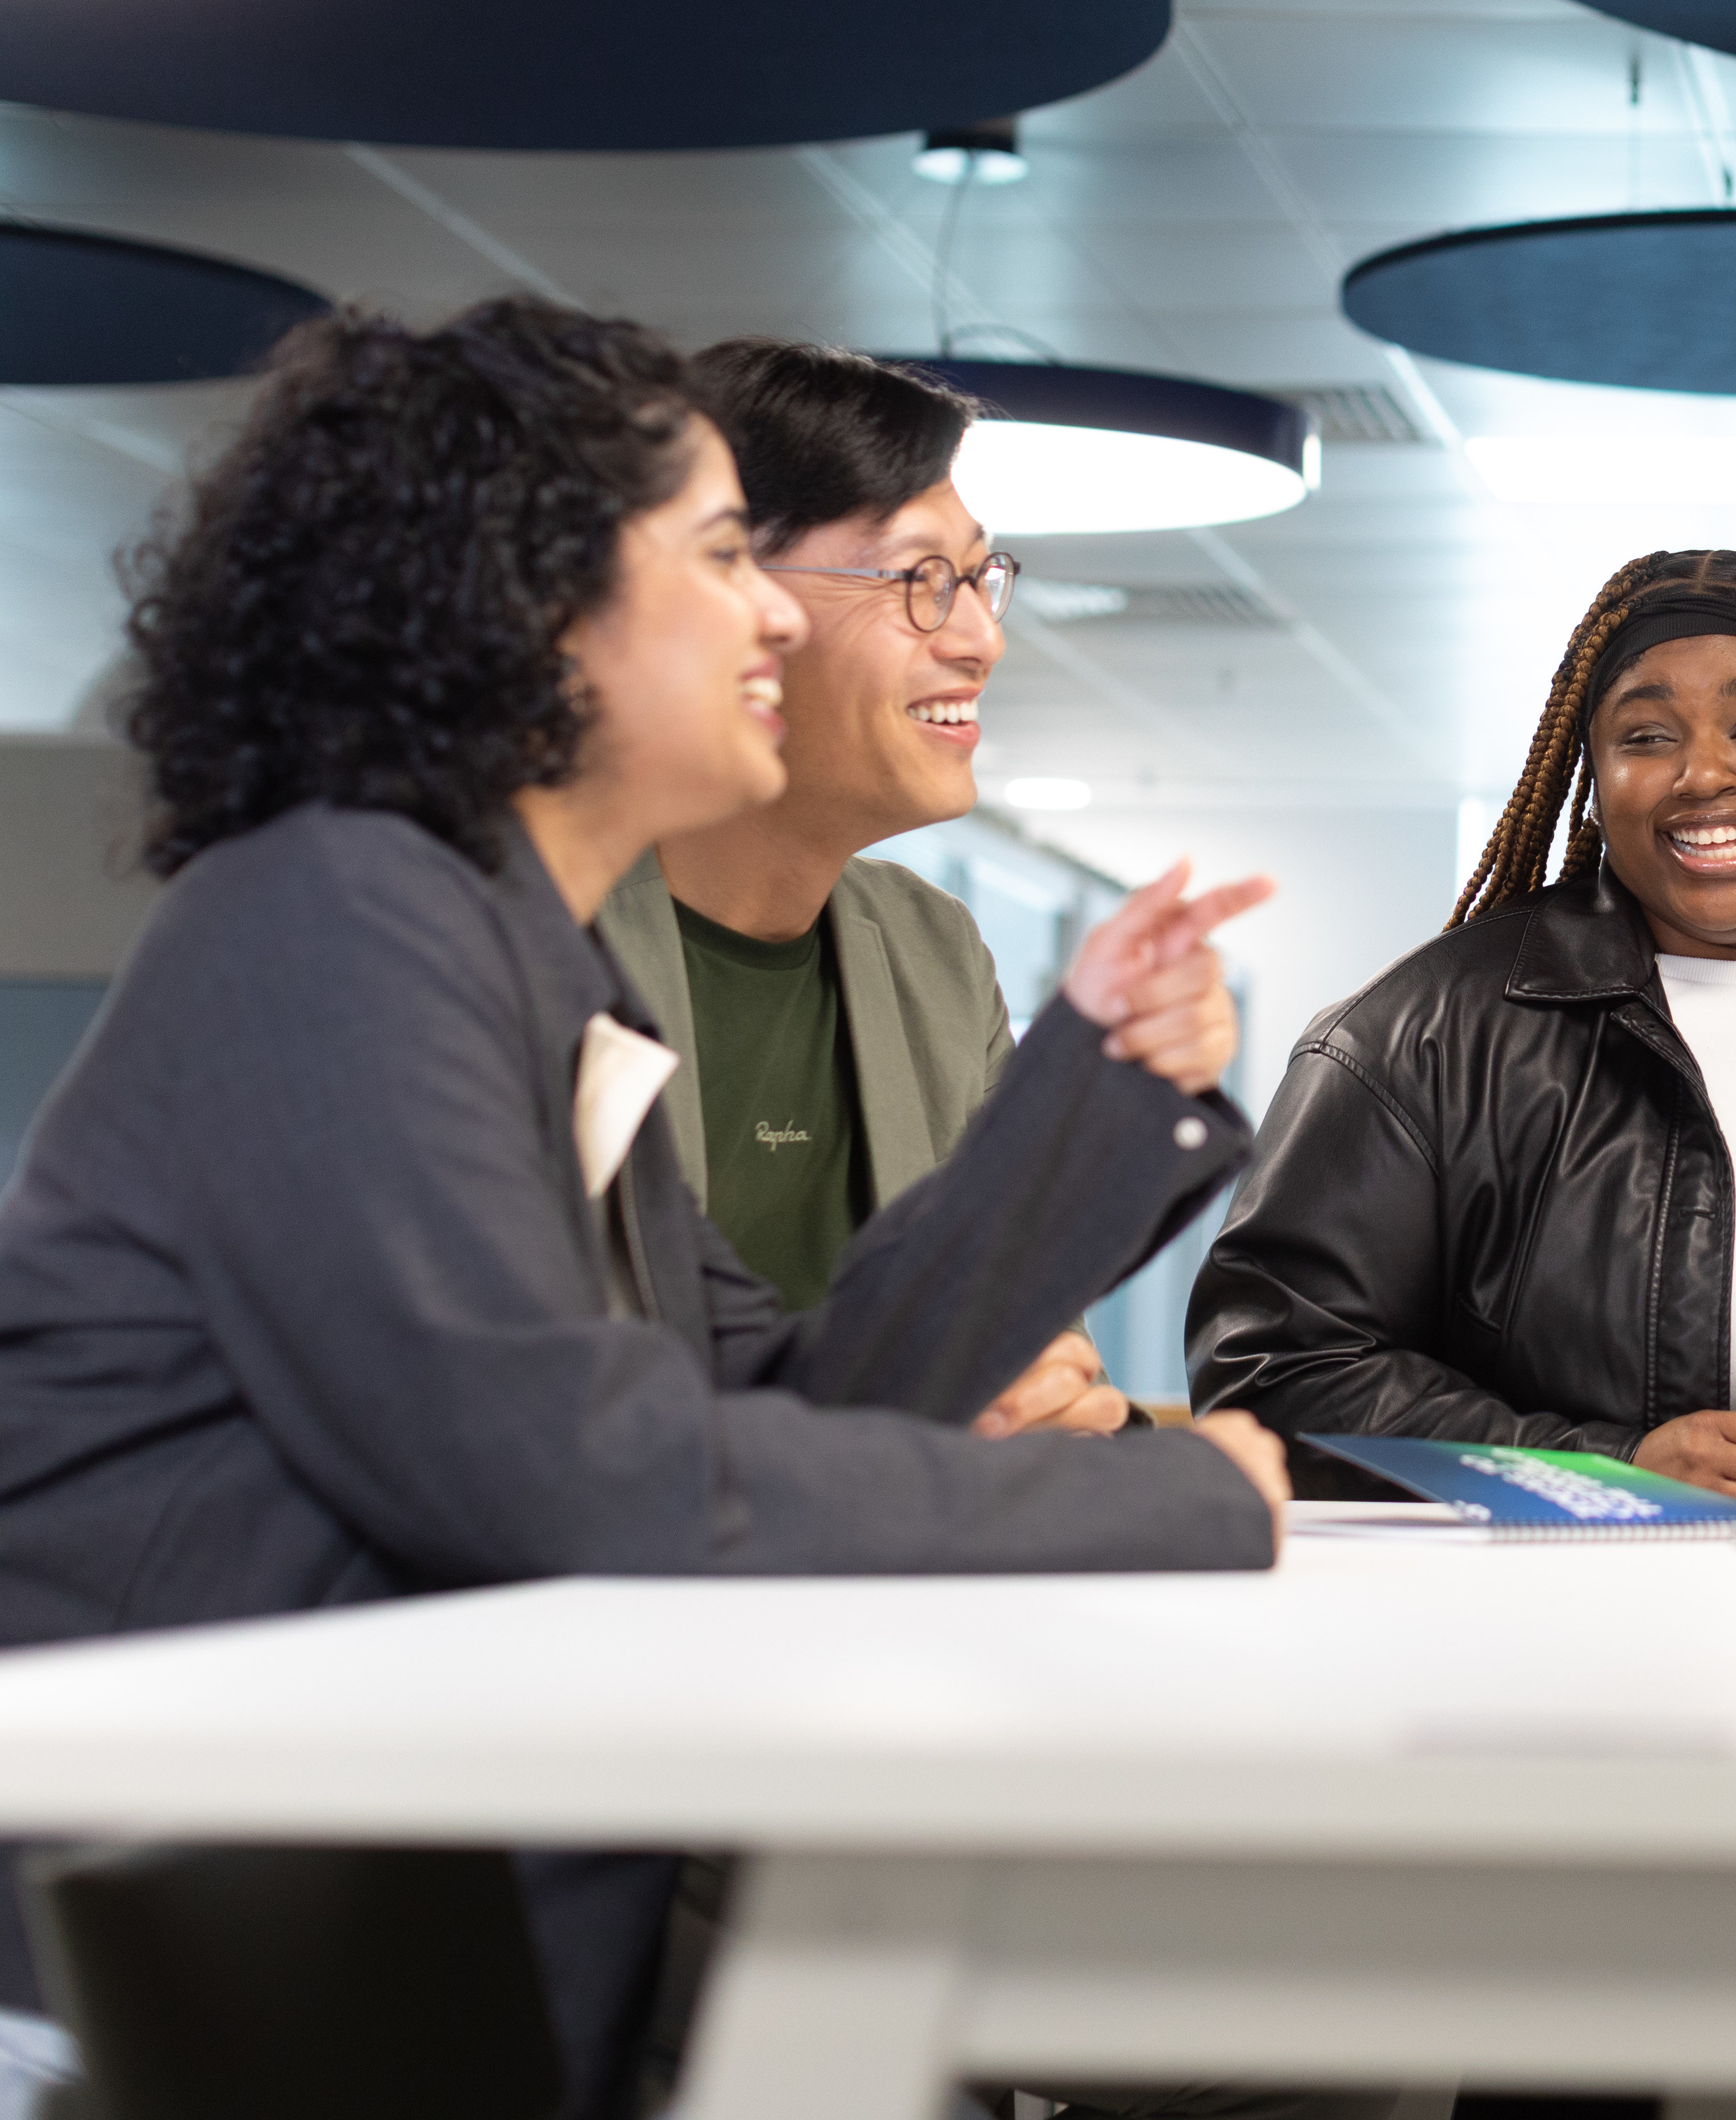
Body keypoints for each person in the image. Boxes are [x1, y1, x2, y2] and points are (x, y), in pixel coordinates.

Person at [0, 301, 1293, 2120]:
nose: (770, 605)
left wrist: (1086, 1094)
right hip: (177, 1955)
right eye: (713, 554)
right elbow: (575, 1473)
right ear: (530, 612)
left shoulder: (530, 962)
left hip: (361, 1899)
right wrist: (1154, 1500)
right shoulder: (341, 916)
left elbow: (789, 1403)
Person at [1191, 547, 1736, 1512]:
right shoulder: (1424, 1037)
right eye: (1646, 738)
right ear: (1595, 778)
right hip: (1597, 1633)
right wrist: (1595, 1466)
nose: (1703, 773)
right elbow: (1269, 1374)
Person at [594, 340, 1116, 1433]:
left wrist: (1055, 1398)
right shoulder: (520, 929)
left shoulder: (933, 952)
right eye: (921, 580)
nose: (981, 639)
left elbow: (1011, 1333)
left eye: (980, 579)